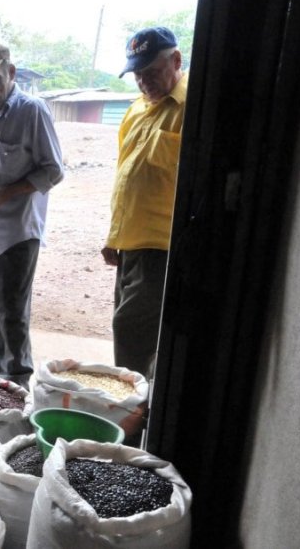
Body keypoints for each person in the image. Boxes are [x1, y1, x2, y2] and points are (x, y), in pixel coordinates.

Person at [0, 41, 64, 389]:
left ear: (11, 72)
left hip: (16, 234)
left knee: (12, 314)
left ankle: (16, 384)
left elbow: (53, 171)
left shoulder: (31, 111)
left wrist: (6, 193)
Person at [101, 26, 187, 378]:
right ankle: (141, 406)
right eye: (138, 74)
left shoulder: (191, 108)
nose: (143, 81)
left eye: (151, 72)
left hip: (162, 249)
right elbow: (127, 178)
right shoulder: (136, 110)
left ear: (176, 61)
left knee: (131, 329)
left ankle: (135, 418)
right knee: (132, 331)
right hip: (130, 247)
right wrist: (113, 238)